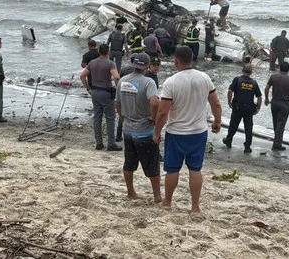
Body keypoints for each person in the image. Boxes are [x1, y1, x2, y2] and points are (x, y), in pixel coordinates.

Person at [153, 46, 222, 213]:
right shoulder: (205, 78)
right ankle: (195, 207)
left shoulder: (171, 82)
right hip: (198, 132)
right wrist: (217, 121)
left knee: (172, 169)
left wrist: (156, 132)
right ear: (192, 59)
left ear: (176, 61)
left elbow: (163, 112)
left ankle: (168, 201)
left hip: (176, 132)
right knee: (195, 169)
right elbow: (216, 103)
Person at [115, 52, 162, 203]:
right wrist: (153, 118)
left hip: (128, 128)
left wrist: (123, 118)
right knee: (152, 165)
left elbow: (118, 103)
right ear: (148, 66)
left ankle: (131, 192)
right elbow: (155, 102)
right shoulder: (148, 82)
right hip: (144, 130)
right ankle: (157, 196)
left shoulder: (122, 80)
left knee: (129, 163)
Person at [81, 43, 122, 151]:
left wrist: (88, 88)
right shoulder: (110, 63)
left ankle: (99, 142)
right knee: (110, 118)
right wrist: (118, 89)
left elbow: (82, 75)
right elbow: (117, 77)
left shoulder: (92, 63)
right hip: (106, 92)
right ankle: (111, 143)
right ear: (107, 52)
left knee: (97, 117)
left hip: (94, 91)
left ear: (99, 52)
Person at [223, 64, 262, 153]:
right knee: (248, 128)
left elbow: (230, 91)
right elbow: (259, 97)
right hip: (249, 108)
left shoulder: (237, 80)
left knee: (233, 125)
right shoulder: (254, 83)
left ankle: (228, 141)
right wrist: (258, 108)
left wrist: (229, 102)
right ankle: (247, 147)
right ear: (251, 73)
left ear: (242, 70)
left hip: (237, 107)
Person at [264, 61, 289, 151]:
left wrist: (267, 99)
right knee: (281, 125)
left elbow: (266, 88)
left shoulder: (273, 77)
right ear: (288, 69)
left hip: (274, 102)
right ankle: (277, 144)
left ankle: (276, 142)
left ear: (279, 68)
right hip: (284, 104)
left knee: (276, 124)